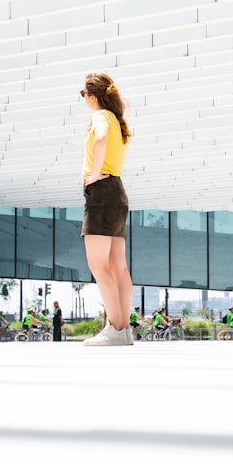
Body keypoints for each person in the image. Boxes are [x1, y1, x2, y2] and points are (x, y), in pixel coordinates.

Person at [79, 72, 135, 347]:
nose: (83, 99)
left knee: (99, 265)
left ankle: (115, 328)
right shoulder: (117, 120)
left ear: (94, 96)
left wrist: (94, 173)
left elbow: (100, 139)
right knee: (118, 267)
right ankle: (123, 330)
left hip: (102, 193)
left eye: (83, 94)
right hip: (117, 192)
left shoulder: (102, 117)